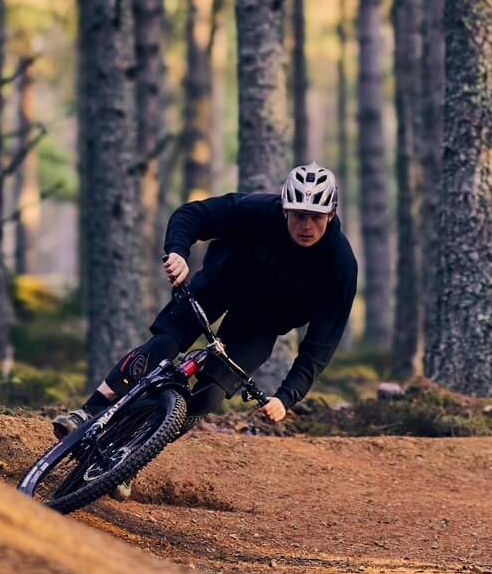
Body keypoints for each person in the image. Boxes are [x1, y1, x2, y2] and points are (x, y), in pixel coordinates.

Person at [53, 163, 359, 438]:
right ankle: (89, 411)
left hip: (260, 326)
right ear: (284, 210)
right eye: (299, 216)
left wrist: (286, 396)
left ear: (331, 214)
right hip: (218, 286)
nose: (307, 226)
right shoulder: (258, 211)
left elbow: (321, 344)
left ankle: (132, 448)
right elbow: (193, 215)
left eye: (316, 217)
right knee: (164, 346)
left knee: (209, 395)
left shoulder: (340, 265)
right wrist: (177, 252)